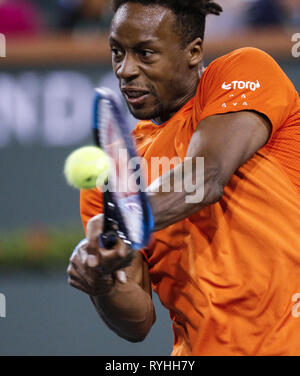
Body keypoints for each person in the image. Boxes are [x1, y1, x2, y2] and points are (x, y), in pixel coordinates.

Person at [67, 0, 300, 356]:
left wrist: (126, 218)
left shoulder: (246, 70)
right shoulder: (113, 175)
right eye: (117, 52)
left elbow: (206, 176)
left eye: (145, 53)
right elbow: (138, 322)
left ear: (193, 52)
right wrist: (101, 280)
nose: (125, 70)